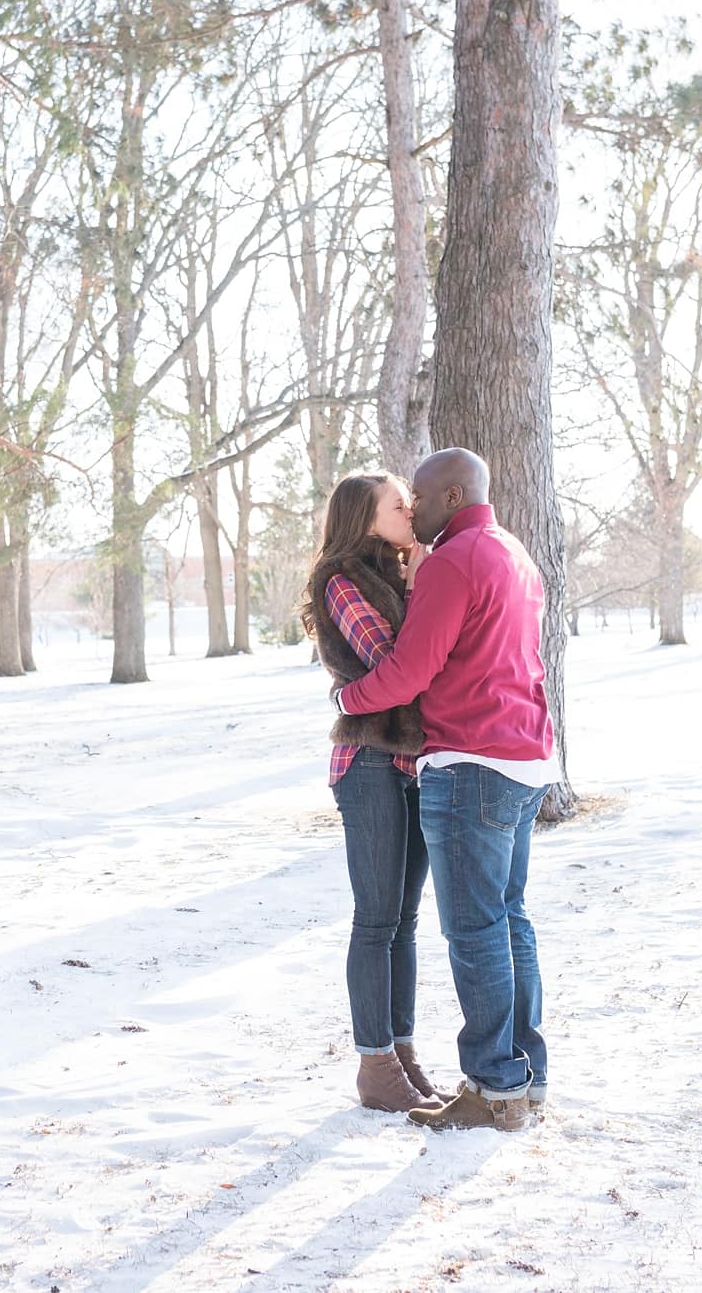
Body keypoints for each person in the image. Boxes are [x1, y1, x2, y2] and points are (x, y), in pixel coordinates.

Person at [334, 448, 560, 1132]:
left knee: (475, 928)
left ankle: (494, 1088)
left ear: (455, 494)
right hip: (524, 755)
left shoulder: (453, 560)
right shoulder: (513, 553)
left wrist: (350, 697)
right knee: (510, 919)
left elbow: (409, 671)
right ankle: (527, 1075)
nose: (416, 510)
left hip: (469, 759)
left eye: (423, 499)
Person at [300, 472, 448, 1113]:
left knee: (405, 922)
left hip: (408, 762)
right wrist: (420, 587)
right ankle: (374, 1063)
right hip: (367, 761)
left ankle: (403, 1052)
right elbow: (397, 663)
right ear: (365, 516)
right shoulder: (344, 581)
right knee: (376, 919)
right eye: (398, 504)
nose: (410, 510)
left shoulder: (392, 572)